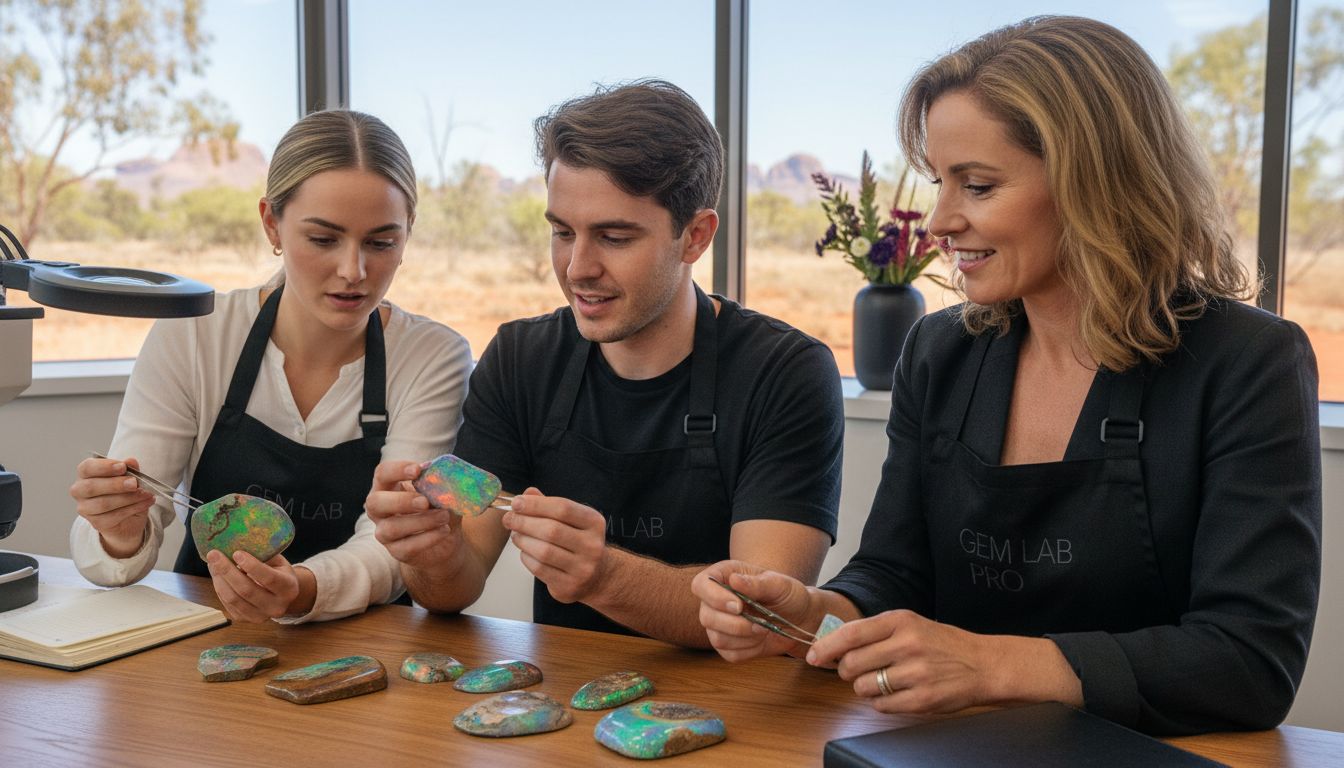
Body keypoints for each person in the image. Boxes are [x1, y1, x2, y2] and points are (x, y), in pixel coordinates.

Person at [693, 15, 1321, 736]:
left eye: (978, 186)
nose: (937, 222)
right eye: (939, 183)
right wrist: (817, 613)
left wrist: (993, 665)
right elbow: (896, 574)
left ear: (1096, 182)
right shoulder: (940, 351)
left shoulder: (1247, 363)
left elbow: (1251, 664)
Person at [366, 80, 844, 646]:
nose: (577, 268)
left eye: (614, 237)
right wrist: (431, 554)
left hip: (733, 710)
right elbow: (455, 586)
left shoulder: (786, 374)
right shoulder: (522, 359)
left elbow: (764, 613)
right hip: (563, 696)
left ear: (695, 236)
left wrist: (603, 575)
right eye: (562, 232)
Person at [69, 110, 472, 624]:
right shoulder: (193, 334)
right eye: (324, 239)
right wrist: (118, 530)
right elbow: (115, 558)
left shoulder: (433, 356)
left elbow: (398, 546)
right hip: (210, 627)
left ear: (407, 235)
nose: (354, 271)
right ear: (271, 223)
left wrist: (303, 590)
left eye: (381, 242)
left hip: (370, 646)